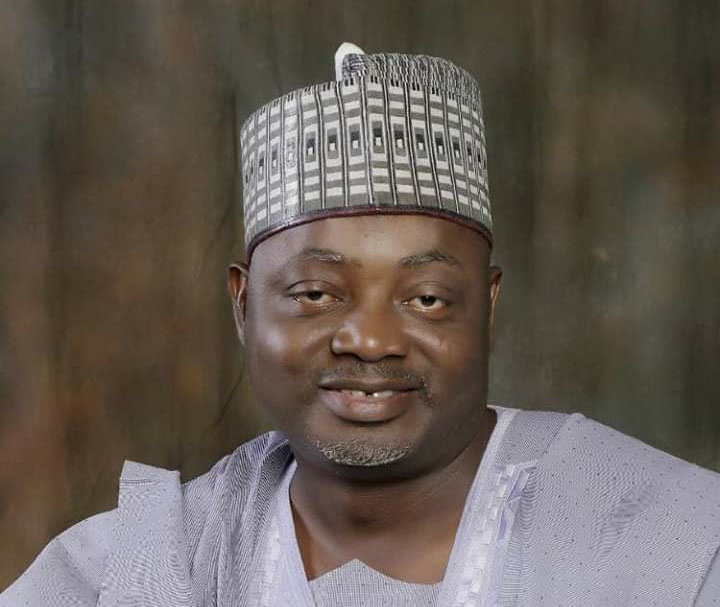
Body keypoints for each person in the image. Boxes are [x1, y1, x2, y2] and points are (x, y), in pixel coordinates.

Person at [2, 42, 719, 607]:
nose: (370, 340)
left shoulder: (672, 543)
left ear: (489, 305)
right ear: (243, 305)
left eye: (426, 299)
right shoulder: (132, 574)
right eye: (316, 293)